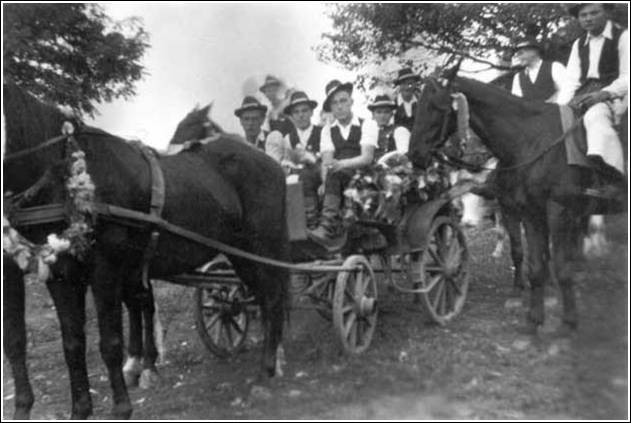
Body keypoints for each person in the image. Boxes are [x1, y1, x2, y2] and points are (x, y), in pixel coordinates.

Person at [565, 3, 628, 200]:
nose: (588, 18)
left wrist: (605, 93)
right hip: (585, 95)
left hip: (616, 95)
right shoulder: (579, 44)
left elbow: (628, 75)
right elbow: (571, 79)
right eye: (583, 15)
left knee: (595, 116)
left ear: (607, 13)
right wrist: (562, 104)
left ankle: (613, 177)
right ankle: (573, 180)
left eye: (594, 12)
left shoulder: (623, 37)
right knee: (560, 121)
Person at [308, 80, 379, 248]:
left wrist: (341, 165)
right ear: (330, 108)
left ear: (351, 102)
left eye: (343, 101)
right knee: (318, 179)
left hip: (364, 174)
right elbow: (327, 161)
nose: (339, 106)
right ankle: (318, 230)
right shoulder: (327, 130)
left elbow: (366, 158)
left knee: (336, 173)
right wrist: (325, 182)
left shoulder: (367, 124)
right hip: (338, 175)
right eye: (334, 103)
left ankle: (328, 226)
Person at [266, 90, 323, 228]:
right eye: (296, 112)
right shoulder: (288, 138)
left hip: (319, 175)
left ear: (311, 112)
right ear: (291, 116)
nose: (301, 115)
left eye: (304, 111)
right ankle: (297, 226)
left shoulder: (322, 132)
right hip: (298, 180)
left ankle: (312, 221)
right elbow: (286, 162)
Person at [511, 39, 571, 103]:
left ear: (534, 51)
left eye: (521, 53)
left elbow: (567, 90)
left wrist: (552, 104)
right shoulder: (518, 77)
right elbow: (517, 103)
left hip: (557, 111)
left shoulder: (555, 67)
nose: (517, 56)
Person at [367, 94, 410, 160]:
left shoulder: (399, 130)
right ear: (373, 115)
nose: (382, 116)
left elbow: (404, 156)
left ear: (391, 114)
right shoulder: (368, 133)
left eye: (386, 112)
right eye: (379, 112)